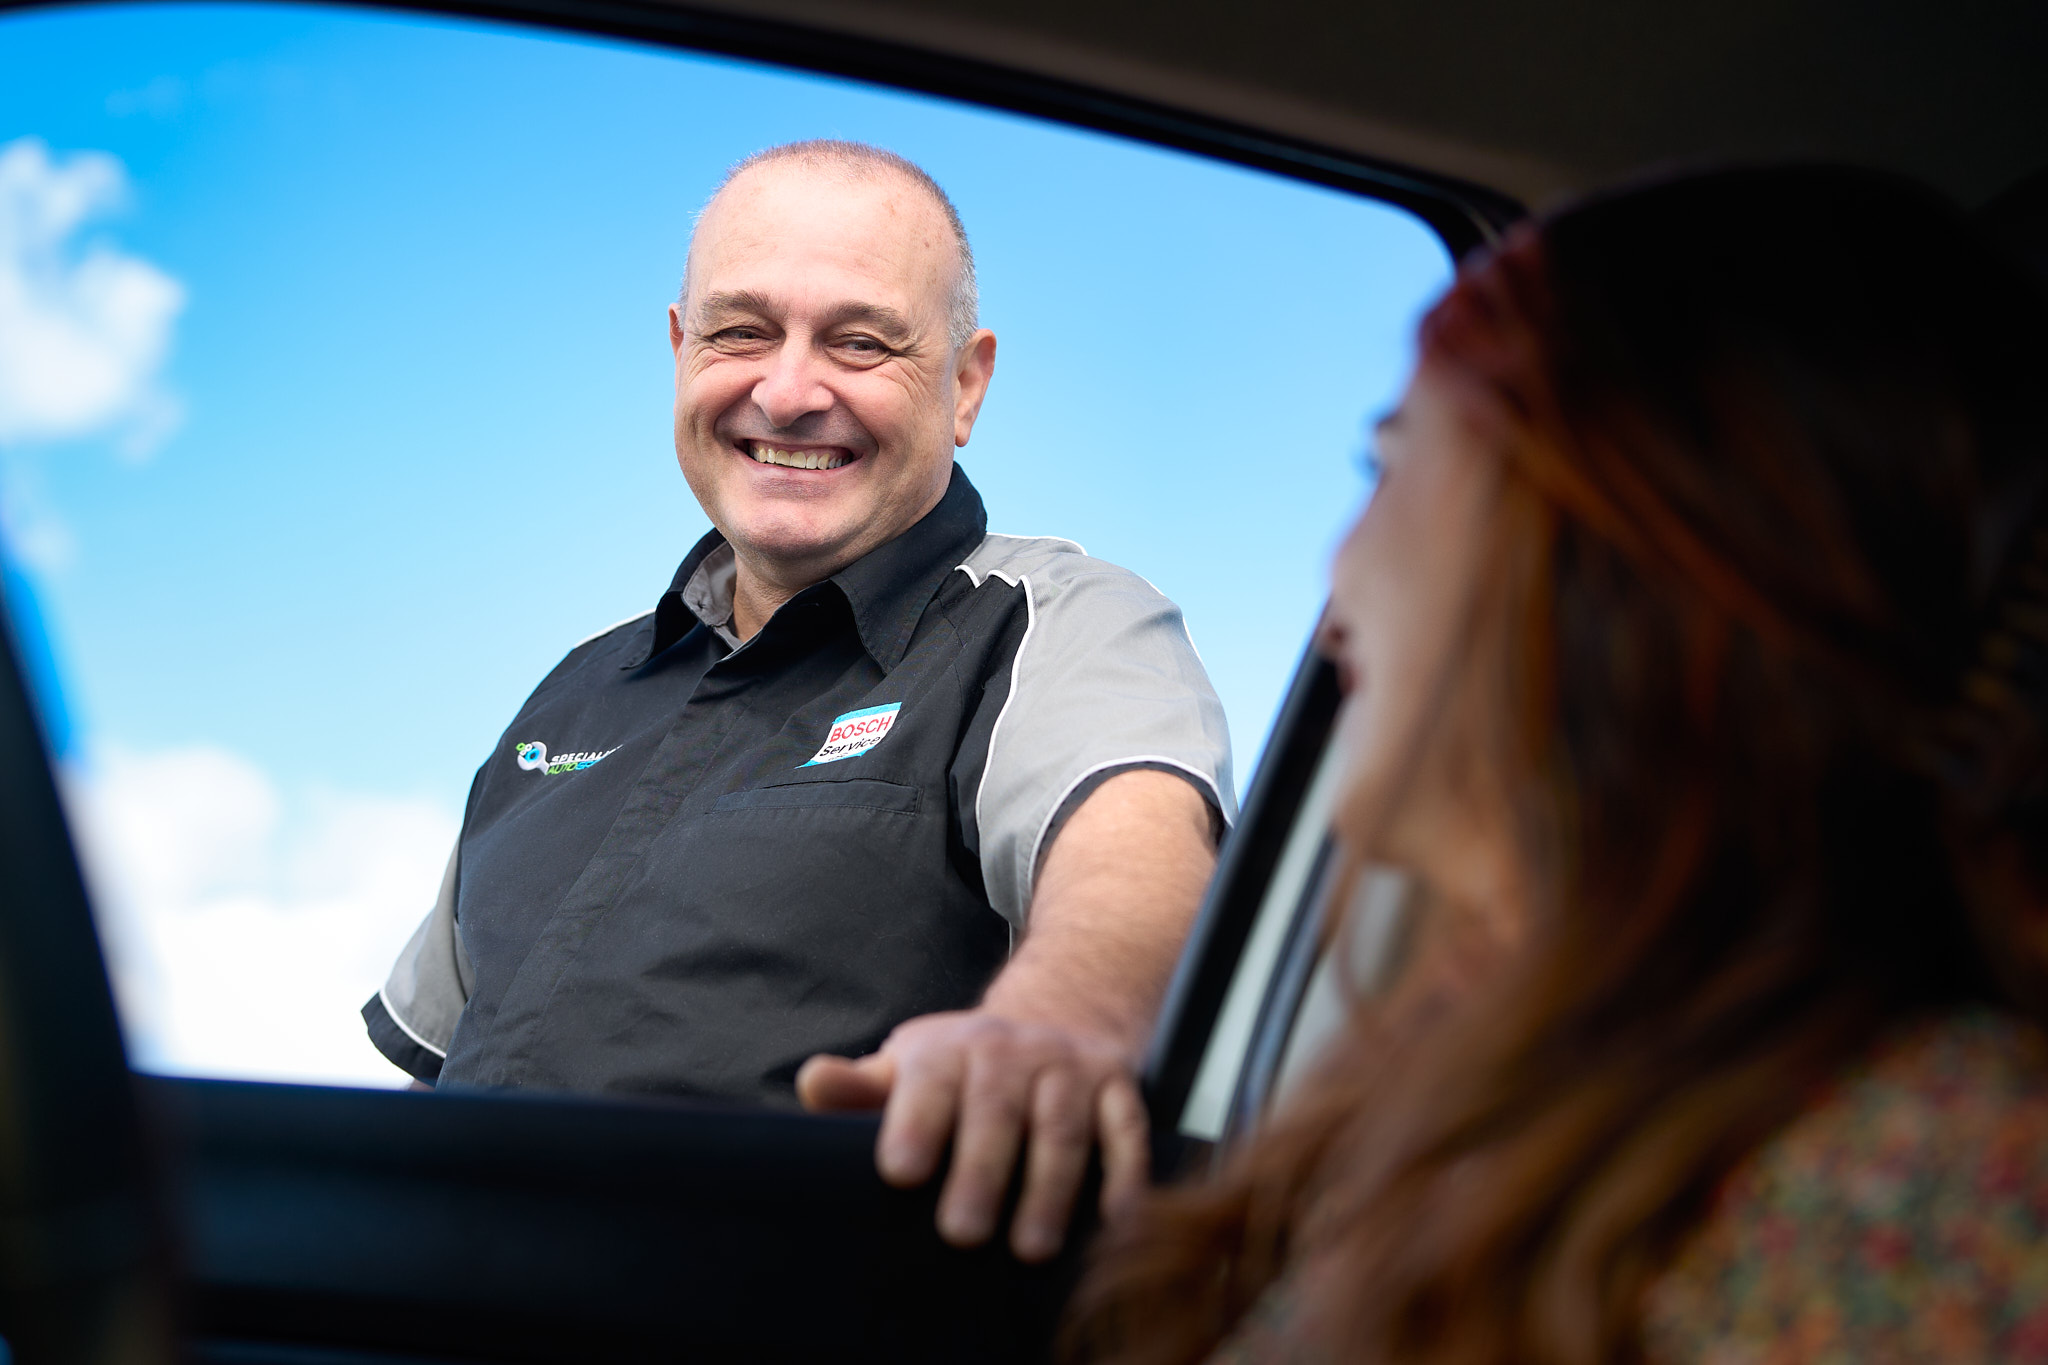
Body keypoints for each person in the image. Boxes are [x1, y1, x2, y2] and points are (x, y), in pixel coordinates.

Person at [1069, 165, 2048, 1362]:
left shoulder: (1921, 1189)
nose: (1337, 572)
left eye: (1386, 465)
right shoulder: (1500, 1076)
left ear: (1595, 533)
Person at [362, 140, 1234, 1263]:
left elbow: (1138, 867)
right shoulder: (573, 689)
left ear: (965, 385)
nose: (786, 392)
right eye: (740, 332)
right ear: (679, 351)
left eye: (860, 342)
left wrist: (1056, 1025)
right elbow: (439, 1065)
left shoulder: (1054, 620)